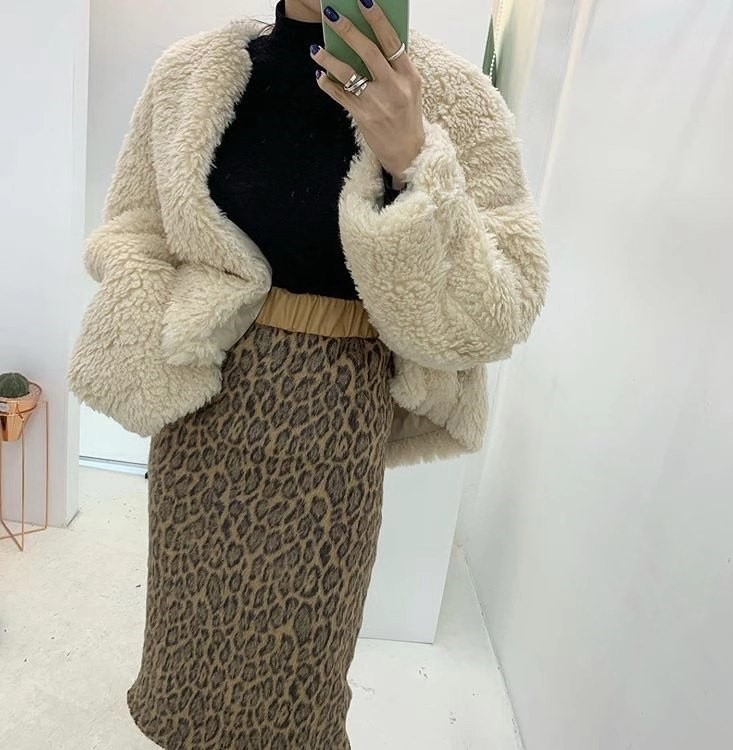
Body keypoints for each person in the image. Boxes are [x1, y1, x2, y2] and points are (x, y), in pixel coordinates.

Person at [67, 0, 549, 747]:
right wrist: (165, 323)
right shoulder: (192, 76)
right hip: (204, 424)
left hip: (334, 427)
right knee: (187, 663)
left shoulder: (454, 98)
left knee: (298, 684)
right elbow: (133, 229)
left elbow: (499, 308)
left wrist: (414, 159)